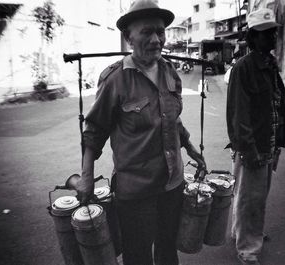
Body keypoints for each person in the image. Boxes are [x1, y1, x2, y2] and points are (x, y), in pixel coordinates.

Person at [75, 1, 206, 265]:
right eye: (147, 32)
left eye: (160, 31)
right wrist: (87, 178)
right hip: (136, 191)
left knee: (168, 250)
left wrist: (190, 147)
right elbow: (94, 131)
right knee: (138, 256)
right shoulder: (115, 79)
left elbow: (172, 119)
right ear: (128, 37)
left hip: (172, 183)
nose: (157, 39)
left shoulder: (170, 72)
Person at [226, 8, 285, 265]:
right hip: (253, 145)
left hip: (269, 141)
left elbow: (275, 104)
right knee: (250, 199)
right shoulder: (244, 68)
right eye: (266, 34)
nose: (272, 38)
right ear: (252, 37)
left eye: (273, 33)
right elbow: (238, 114)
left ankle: (241, 233)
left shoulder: (269, 64)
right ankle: (248, 248)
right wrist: (248, 149)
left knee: (252, 195)